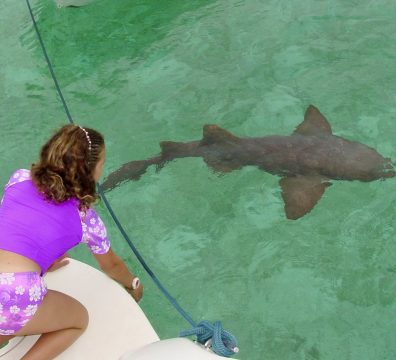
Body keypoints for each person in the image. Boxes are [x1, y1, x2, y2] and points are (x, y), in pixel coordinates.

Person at [0, 124, 143, 359]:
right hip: (15, 292)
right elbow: (112, 266)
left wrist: (45, 262)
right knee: (78, 320)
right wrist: (134, 284)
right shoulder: (85, 218)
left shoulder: (18, 178)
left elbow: (21, 228)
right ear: (90, 170)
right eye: (102, 162)